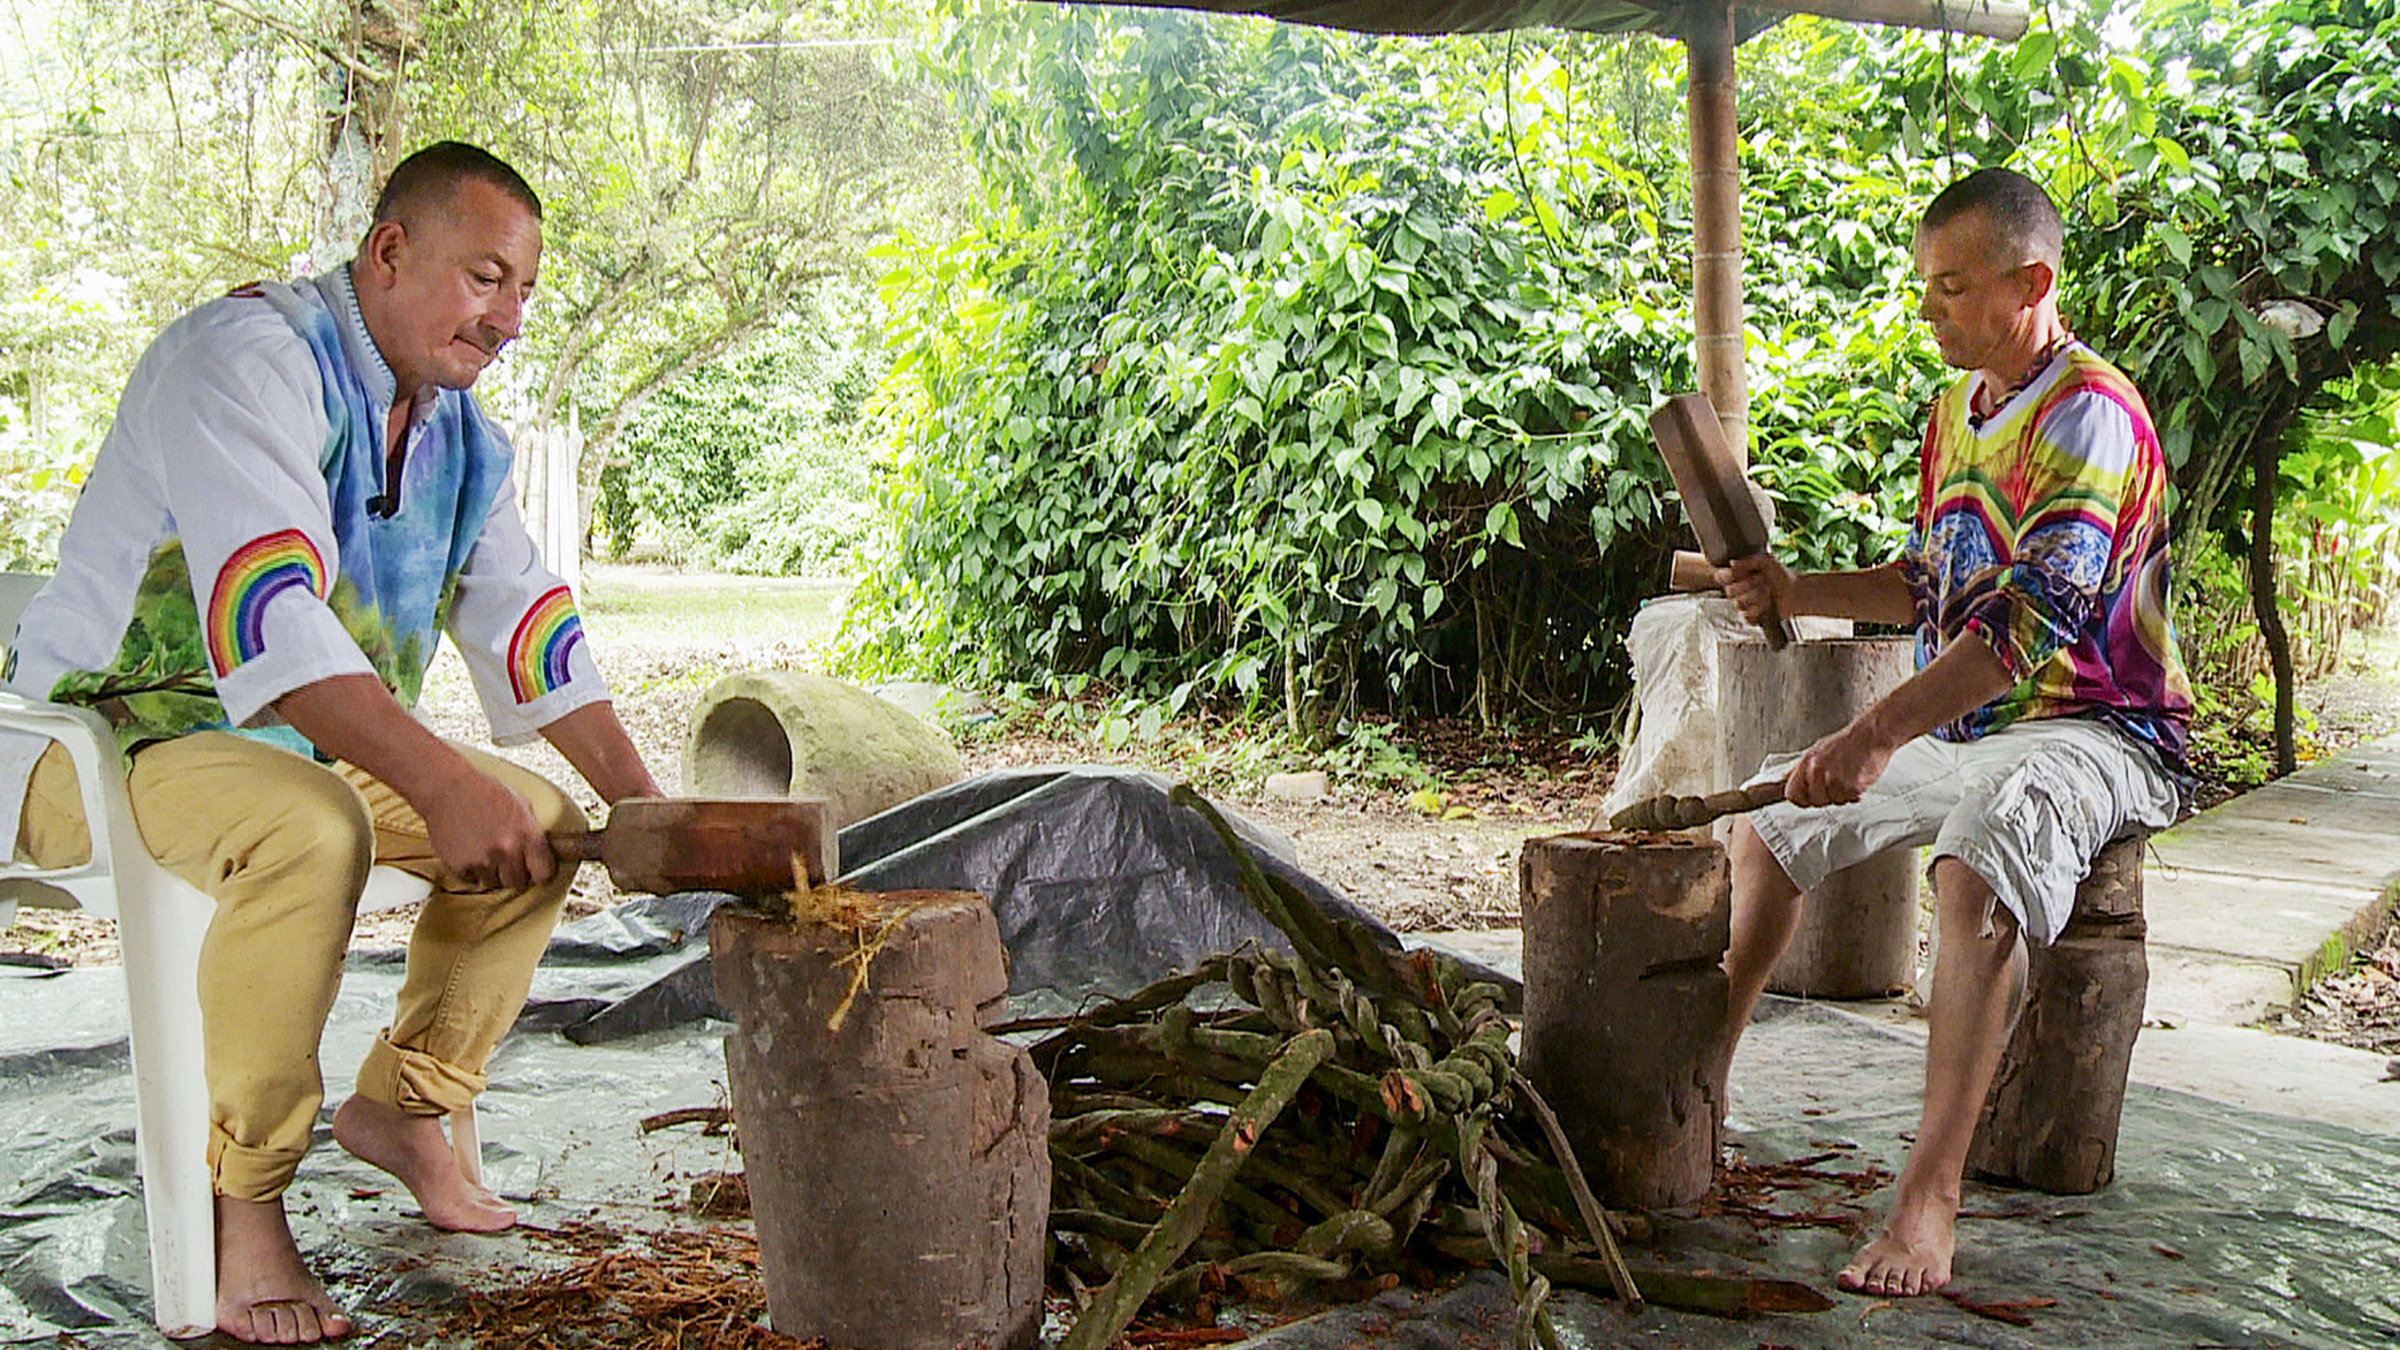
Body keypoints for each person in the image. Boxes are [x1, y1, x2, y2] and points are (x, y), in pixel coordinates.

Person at [0, 141, 662, 1344]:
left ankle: (408, 1109)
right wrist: (436, 776)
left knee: (547, 828)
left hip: (282, 743)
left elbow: (524, 623)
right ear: (391, 252)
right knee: (318, 827)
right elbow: (274, 616)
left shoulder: (458, 431)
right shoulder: (245, 360)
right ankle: (237, 1202)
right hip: (105, 737)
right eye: (485, 278)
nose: (508, 318)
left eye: (523, 290)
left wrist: (651, 810)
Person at [1714, 166, 2193, 1299]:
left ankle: (1930, 1200)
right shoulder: (1957, 406)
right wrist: (1793, 590)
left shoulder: (2090, 412)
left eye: (1951, 286)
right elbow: (1935, 586)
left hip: (2103, 729)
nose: (1927, 307)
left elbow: (2027, 626)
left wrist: (1877, 732)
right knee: (1769, 823)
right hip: (1978, 723)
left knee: (1976, 859)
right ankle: (1701, 1092)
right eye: (1924, 286)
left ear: (2032, 282)